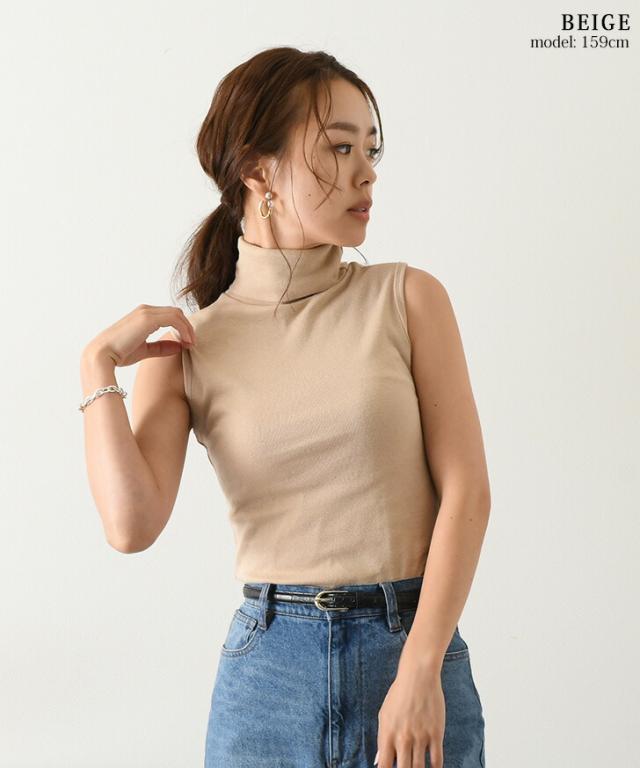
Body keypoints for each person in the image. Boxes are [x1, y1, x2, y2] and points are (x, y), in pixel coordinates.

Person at [79, 46, 490, 768]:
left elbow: (468, 493)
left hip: (411, 653)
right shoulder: (189, 346)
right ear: (258, 169)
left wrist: (421, 667)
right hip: (267, 679)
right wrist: (97, 365)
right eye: (338, 147)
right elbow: (131, 526)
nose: (366, 171)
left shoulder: (407, 298)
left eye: (371, 149)